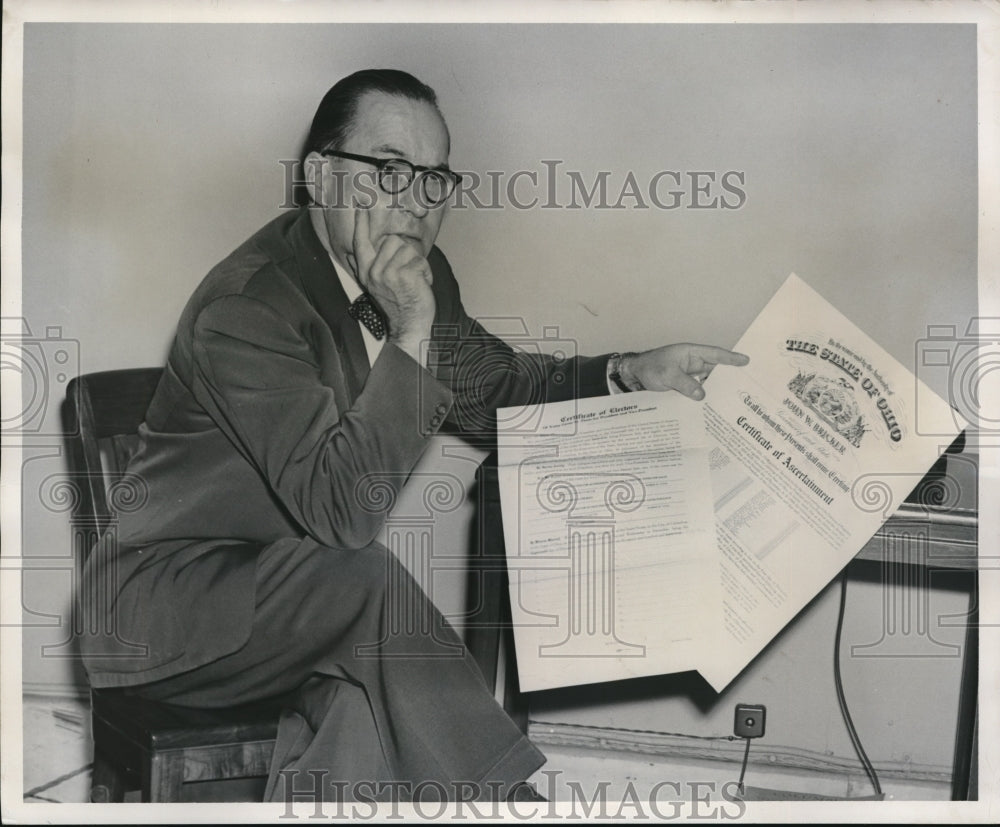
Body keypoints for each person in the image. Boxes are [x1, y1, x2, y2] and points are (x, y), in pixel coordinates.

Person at [80, 69, 748, 803]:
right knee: (364, 579)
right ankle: (507, 802)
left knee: (366, 702)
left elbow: (495, 389)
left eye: (434, 179)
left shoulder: (416, 278)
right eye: (390, 170)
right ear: (320, 175)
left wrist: (626, 371)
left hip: (309, 617)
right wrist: (412, 331)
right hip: (168, 615)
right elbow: (343, 513)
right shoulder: (248, 307)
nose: (416, 202)